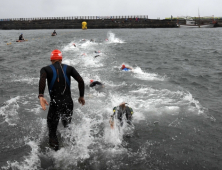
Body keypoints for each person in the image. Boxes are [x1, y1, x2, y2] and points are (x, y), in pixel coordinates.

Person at [38, 49, 85, 151]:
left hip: (55, 104)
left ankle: (56, 156)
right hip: (68, 103)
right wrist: (81, 96)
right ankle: (73, 149)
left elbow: (42, 80)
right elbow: (81, 81)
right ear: (61, 59)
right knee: (67, 126)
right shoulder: (70, 68)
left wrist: (41, 95)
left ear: (51, 60)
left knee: (52, 132)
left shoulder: (45, 69)